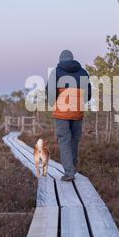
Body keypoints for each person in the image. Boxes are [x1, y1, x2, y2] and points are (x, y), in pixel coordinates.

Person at [46, 50, 91, 181]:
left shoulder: (57, 71)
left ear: (60, 59)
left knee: (64, 141)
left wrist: (54, 103)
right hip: (78, 111)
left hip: (62, 113)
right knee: (74, 140)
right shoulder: (83, 72)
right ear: (72, 59)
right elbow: (88, 94)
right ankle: (73, 167)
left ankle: (69, 172)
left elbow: (50, 91)